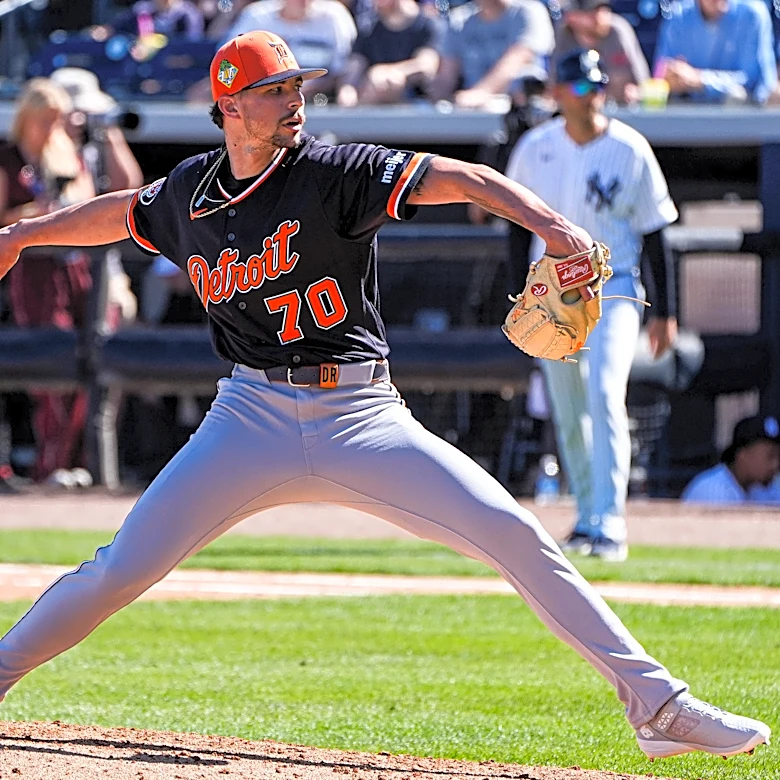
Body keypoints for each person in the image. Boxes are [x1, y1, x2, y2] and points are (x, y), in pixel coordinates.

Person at [0, 30, 770, 762]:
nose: (294, 99)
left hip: (361, 417)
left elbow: (462, 176)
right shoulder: (188, 194)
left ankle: (658, 709)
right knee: (118, 571)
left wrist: (555, 226)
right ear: (230, 104)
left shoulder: (336, 170)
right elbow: (116, 213)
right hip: (247, 418)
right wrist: (22, 236)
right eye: (274, 90)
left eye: (297, 84)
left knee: (513, 530)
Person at [504, 49, 679, 563]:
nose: (593, 95)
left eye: (598, 85)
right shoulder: (536, 148)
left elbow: (656, 234)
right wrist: (518, 296)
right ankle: (586, 518)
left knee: (604, 394)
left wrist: (665, 311)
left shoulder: (630, 148)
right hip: (552, 298)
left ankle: (612, 523)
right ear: (558, 93)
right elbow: (516, 231)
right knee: (568, 407)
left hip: (614, 288)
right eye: (581, 86)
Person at [0, 78, 96, 485]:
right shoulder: (7, 156)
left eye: (56, 120)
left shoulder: (65, 153)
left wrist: (62, 206)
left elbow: (91, 204)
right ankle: (46, 464)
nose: (50, 128)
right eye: (44, 120)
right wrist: (36, 213)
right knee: (48, 358)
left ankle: (68, 462)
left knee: (83, 360)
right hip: (31, 270)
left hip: (72, 264)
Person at [430, 0, 554, 108]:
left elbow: (518, 58)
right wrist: (435, 98)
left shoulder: (529, 12)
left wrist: (482, 92)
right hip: (472, 110)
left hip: (520, 107)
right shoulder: (459, 20)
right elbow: (447, 76)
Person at [653, 0, 777, 105]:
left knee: (736, 95)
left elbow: (756, 81)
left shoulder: (752, 14)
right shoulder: (679, 16)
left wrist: (701, 80)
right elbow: (660, 75)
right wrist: (673, 77)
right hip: (687, 116)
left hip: (742, 120)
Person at [336, 0, 442, 106]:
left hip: (416, 105)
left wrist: (387, 73)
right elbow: (355, 66)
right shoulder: (369, 28)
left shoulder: (427, 25)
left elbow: (426, 66)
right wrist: (347, 89)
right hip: (372, 105)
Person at [551, 0, 650, 105]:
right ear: (572, 17)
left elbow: (644, 82)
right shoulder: (564, 35)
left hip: (622, 110)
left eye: (604, 10)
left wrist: (638, 92)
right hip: (580, 112)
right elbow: (554, 86)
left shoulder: (618, 31)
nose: (601, 17)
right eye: (592, 13)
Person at [681, 414, 780, 503]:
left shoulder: (764, 489)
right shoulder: (711, 490)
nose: (776, 464)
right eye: (770, 456)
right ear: (743, 455)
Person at [111, 0, 205, 41]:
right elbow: (115, 28)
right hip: (143, 68)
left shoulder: (189, 14)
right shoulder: (142, 10)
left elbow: (191, 46)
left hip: (177, 72)